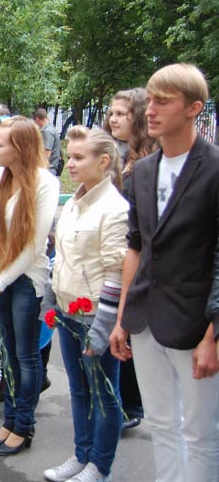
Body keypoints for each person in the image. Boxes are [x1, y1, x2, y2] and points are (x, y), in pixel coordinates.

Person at [109, 63, 219, 482]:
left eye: (163, 102)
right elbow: (136, 246)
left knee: (201, 433)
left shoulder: (213, 168)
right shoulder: (143, 170)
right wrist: (122, 317)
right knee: (161, 424)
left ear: (193, 108)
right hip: (145, 319)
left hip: (195, 324)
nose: (150, 110)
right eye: (149, 100)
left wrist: (213, 334)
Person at [44, 126, 127, 482]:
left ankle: (99, 465)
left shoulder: (115, 209)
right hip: (68, 312)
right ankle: (81, 455)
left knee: (104, 394)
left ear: (104, 161)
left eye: (79, 158)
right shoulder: (75, 203)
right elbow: (61, 258)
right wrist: (51, 300)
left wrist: (102, 327)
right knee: (79, 390)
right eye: (70, 157)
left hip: (94, 316)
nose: (71, 164)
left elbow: (115, 273)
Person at [0, 116, 59, 456]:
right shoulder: (0, 177)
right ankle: (9, 420)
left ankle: (24, 425)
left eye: (0, 144)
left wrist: (0, 281)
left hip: (26, 279)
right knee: (8, 351)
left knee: (26, 355)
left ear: (21, 148)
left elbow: (35, 244)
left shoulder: (45, 183)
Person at [104, 87, 155, 430]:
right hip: (115, 252)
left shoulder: (147, 163)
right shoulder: (114, 154)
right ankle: (117, 400)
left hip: (136, 256)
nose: (113, 119)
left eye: (122, 113)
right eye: (112, 112)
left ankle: (131, 405)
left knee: (129, 330)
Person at [33, 108, 62, 176]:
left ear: (37, 119)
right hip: (51, 167)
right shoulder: (51, 128)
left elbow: (46, 154)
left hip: (48, 168)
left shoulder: (47, 131)